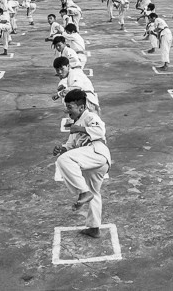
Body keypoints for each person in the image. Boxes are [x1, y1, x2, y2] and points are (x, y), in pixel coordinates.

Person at [54, 89, 111, 238]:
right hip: (95, 162)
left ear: (81, 107)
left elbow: (100, 130)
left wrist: (79, 128)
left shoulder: (89, 116)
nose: (67, 111)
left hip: (97, 151)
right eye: (66, 107)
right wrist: (61, 148)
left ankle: (83, 192)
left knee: (63, 161)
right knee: (94, 193)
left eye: (70, 107)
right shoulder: (76, 124)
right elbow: (70, 146)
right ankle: (94, 228)